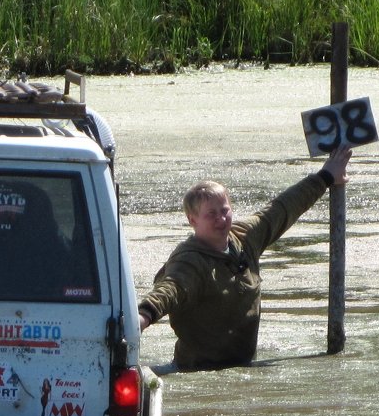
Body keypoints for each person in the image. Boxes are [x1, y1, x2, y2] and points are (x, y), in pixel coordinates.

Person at [137, 146, 352, 371]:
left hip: (242, 366)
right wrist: (144, 316)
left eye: (225, 210)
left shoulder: (243, 239)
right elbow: (169, 290)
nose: (221, 219)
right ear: (193, 221)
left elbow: (280, 209)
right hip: (196, 369)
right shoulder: (190, 262)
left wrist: (326, 176)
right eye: (211, 214)